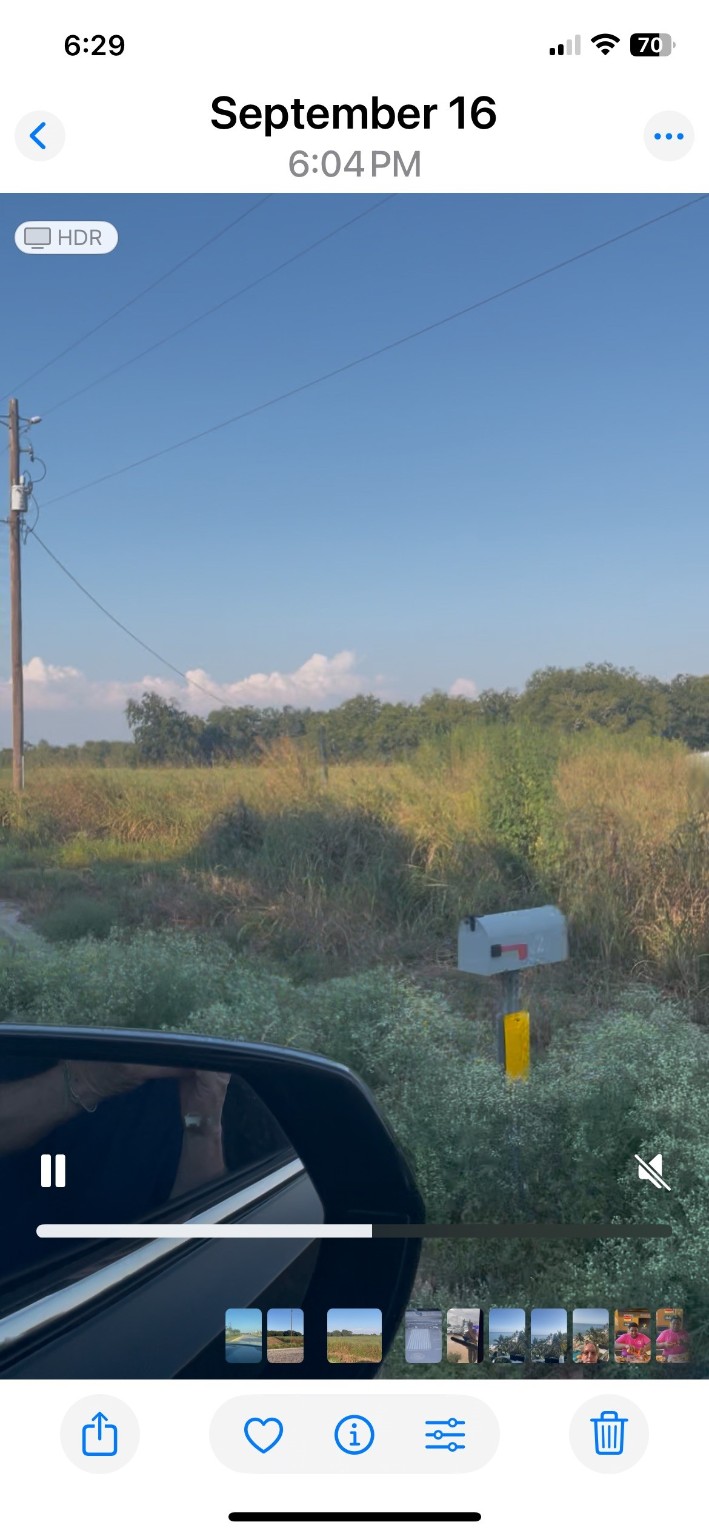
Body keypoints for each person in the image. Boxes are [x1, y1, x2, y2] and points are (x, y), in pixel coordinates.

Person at [0, 1057, 229, 1281]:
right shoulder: (24, 1043)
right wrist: (87, 1080)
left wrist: (203, 1132)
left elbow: (199, 1235)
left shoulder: (188, 1080)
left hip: (98, 1292)